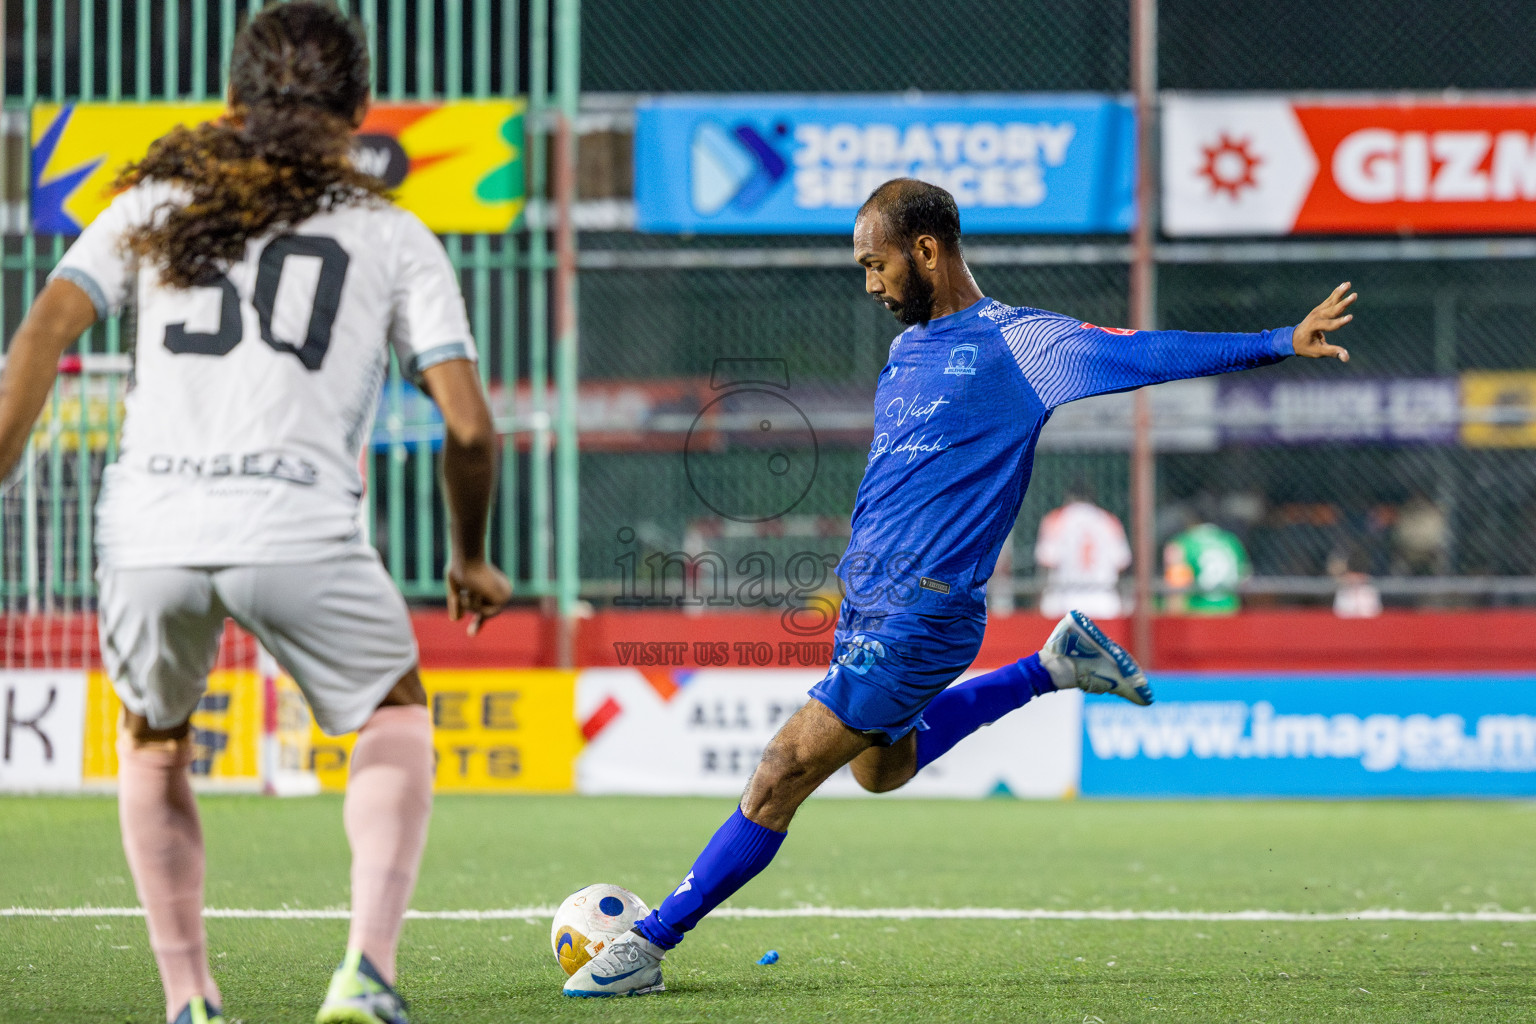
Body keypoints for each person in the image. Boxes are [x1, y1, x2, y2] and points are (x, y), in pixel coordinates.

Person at [562, 177, 1358, 997]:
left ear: (927, 250)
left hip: (924, 612)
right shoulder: (907, 351)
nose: (870, 284)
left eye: (877, 265)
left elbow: (1142, 350)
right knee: (880, 770)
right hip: (873, 607)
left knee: (781, 770)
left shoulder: (1022, 344)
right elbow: (891, 484)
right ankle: (1050, 667)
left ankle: (646, 946)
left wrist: (1275, 339)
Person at [0, 5, 511, 1024]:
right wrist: (470, 556)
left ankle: (190, 1000)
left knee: (153, 740)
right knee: (394, 712)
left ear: (234, 102)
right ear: (358, 112)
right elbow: (468, 428)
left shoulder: (152, 199)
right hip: (300, 531)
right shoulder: (393, 232)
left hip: (149, 529)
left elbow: (45, 327)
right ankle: (365, 975)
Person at [1034, 485, 1132, 619]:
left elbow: (1046, 562)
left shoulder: (1056, 519)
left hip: (1065, 602)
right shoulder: (1108, 520)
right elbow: (1122, 563)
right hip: (1104, 602)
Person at [1163, 520, 1252, 615]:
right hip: (1229, 610)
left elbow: (1176, 592)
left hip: (1198, 613)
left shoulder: (1183, 544)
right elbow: (1245, 579)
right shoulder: (1232, 542)